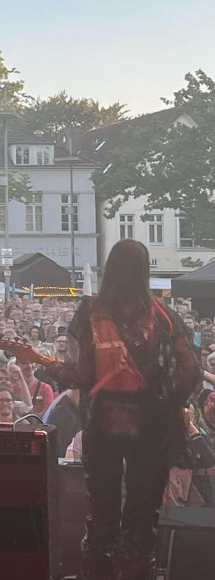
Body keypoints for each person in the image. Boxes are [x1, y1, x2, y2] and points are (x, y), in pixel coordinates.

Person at [36, 239, 202, 580]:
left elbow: (79, 374)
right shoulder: (164, 317)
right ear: (144, 272)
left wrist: (46, 365)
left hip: (103, 423)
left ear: (109, 269)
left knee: (102, 514)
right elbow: (191, 371)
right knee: (144, 515)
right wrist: (165, 403)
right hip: (151, 426)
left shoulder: (90, 313)